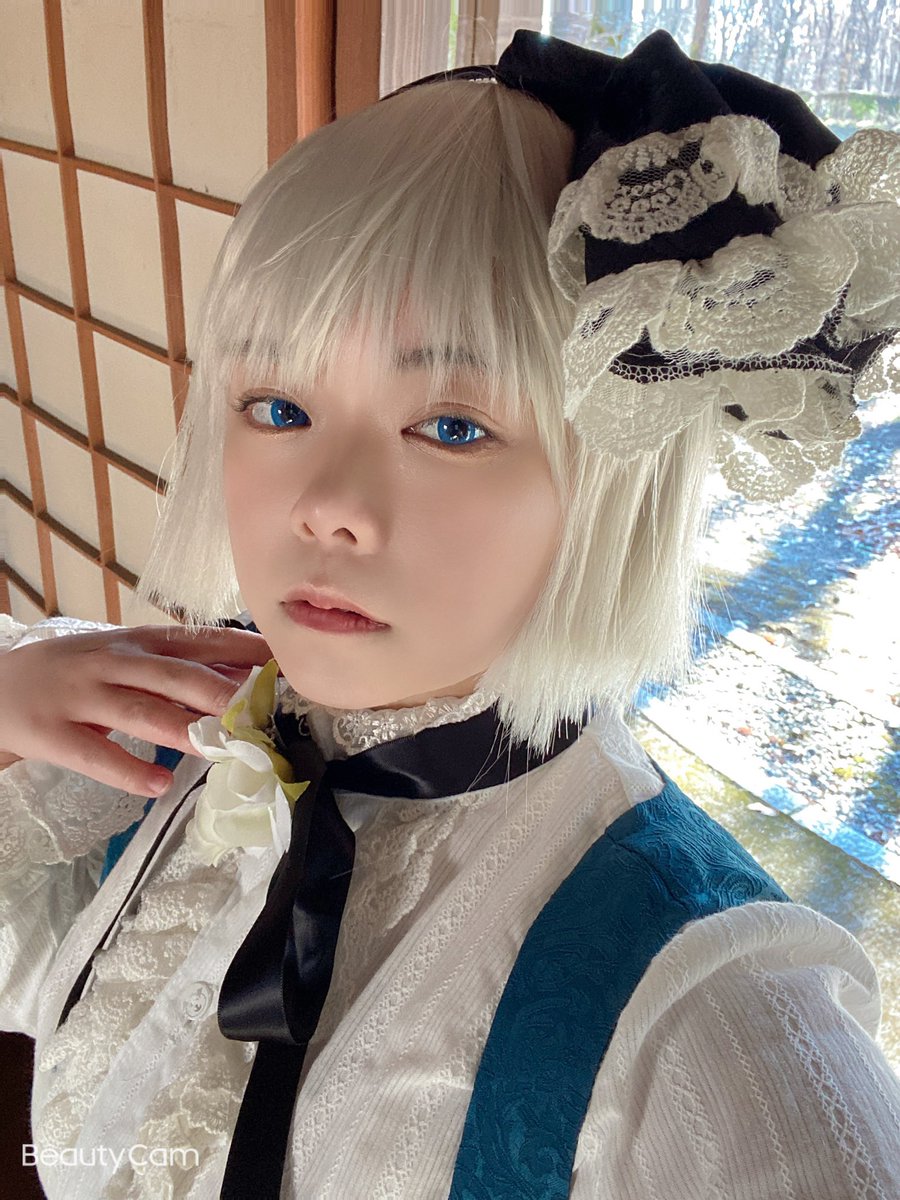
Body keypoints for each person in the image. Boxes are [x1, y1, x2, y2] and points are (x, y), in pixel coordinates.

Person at [1, 27, 899, 1200]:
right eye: (277, 407)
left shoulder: (712, 1020)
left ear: (614, 478)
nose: (327, 506)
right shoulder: (177, 745)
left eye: (452, 427)